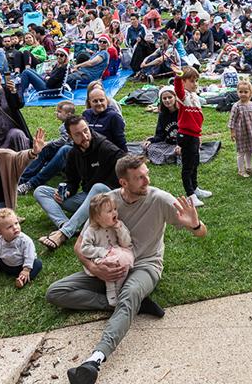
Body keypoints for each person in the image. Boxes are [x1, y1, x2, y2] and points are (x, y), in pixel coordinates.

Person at [53, 155, 207, 384]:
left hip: (145, 265)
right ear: (123, 183)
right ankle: (128, 305)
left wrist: (195, 224)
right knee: (56, 292)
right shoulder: (107, 203)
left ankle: (94, 360)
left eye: (147, 175)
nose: (147, 180)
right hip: (110, 267)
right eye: (139, 178)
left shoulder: (160, 200)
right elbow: (79, 246)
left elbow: (201, 232)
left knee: (130, 293)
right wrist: (95, 269)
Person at [34, 116, 124, 250]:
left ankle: (64, 234)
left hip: (110, 200)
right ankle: (66, 225)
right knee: (40, 191)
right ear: (70, 136)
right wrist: (67, 191)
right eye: (78, 134)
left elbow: (127, 165)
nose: (85, 136)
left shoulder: (105, 147)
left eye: (86, 131)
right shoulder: (73, 154)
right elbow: (72, 181)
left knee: (98, 187)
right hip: (88, 199)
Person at [78, 194, 134, 306]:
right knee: (110, 265)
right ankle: (112, 292)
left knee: (124, 261)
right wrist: (102, 252)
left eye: (115, 209)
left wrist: (119, 229)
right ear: (98, 217)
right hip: (100, 257)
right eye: (109, 211)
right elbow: (84, 248)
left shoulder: (118, 225)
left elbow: (126, 243)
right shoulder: (91, 231)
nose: (114, 213)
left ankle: (120, 287)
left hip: (117, 252)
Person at [171, 64, 211, 207]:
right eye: (192, 81)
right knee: (187, 167)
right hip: (186, 136)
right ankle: (190, 195)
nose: (195, 84)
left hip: (194, 135)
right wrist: (178, 76)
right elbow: (178, 88)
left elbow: (198, 119)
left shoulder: (194, 95)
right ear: (184, 82)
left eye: (196, 81)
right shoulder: (182, 95)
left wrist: (199, 135)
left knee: (195, 163)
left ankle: (195, 188)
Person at [18, 101, 76, 195]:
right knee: (45, 149)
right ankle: (21, 179)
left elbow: (63, 141)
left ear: (69, 114)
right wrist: (47, 145)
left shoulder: (68, 125)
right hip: (66, 151)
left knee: (59, 147)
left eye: (59, 112)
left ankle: (31, 183)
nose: (56, 113)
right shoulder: (65, 124)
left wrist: (49, 142)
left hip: (72, 155)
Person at [0, 208, 42, 289]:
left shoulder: (25, 240)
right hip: (6, 265)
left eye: (16, 223)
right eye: (9, 227)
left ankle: (22, 280)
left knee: (37, 264)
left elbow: (29, 256)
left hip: (21, 266)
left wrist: (26, 269)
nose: (15, 227)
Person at [228, 80, 252, 177]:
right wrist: (232, 132)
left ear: (250, 93)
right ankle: (241, 170)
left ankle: (249, 167)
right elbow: (232, 120)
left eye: (245, 92)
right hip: (241, 132)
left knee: (249, 150)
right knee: (241, 151)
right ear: (237, 92)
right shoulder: (236, 106)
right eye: (240, 91)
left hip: (251, 131)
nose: (243, 94)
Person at [141, 86, 179, 165]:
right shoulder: (162, 115)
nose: (167, 100)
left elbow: (189, 131)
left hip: (182, 143)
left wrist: (181, 145)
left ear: (175, 97)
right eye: (164, 98)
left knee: (186, 150)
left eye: (170, 97)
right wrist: (150, 141)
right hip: (168, 143)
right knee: (149, 147)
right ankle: (171, 157)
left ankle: (173, 156)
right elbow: (160, 134)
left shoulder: (182, 112)